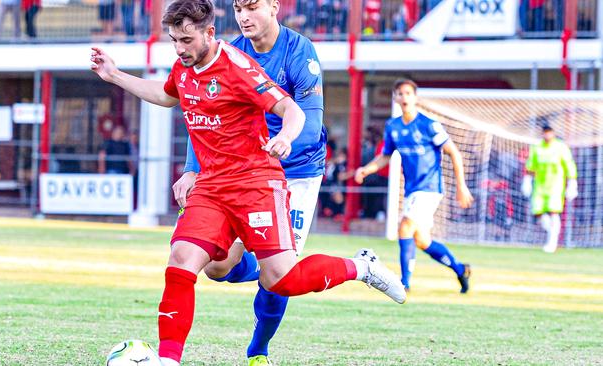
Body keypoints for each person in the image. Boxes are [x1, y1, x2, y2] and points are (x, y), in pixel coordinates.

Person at [90, 1, 406, 365]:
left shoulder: (239, 66)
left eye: (186, 40)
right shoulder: (184, 66)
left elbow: (294, 110)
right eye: (174, 40)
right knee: (185, 262)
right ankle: (169, 360)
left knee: (281, 281)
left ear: (209, 33)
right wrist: (114, 75)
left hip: (256, 184)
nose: (180, 49)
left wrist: (285, 137)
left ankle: (361, 268)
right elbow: (165, 95)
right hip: (212, 187)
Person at [172, 1, 328, 363]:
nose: (244, 16)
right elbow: (203, 118)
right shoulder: (229, 53)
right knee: (217, 266)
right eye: (238, 7)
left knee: (280, 279)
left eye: (253, 6)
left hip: (298, 172)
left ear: (275, 7)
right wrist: (191, 169)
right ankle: (260, 263)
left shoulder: (299, 52)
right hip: (244, 174)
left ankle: (258, 351)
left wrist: (283, 143)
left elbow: (310, 122)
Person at [355, 78, 474, 293]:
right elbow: (385, 156)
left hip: (429, 188)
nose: (404, 97)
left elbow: (453, 152)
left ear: (415, 97)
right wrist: (367, 169)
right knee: (422, 240)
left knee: (405, 227)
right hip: (412, 190)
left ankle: (405, 283)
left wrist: (461, 186)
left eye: (408, 93)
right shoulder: (393, 126)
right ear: (395, 98)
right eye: (399, 93)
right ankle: (460, 269)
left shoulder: (429, 125)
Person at [521, 124, 578, 253]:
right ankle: (552, 232)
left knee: (553, 212)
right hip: (540, 186)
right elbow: (531, 165)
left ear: (553, 133)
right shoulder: (537, 148)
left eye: (549, 132)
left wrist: (572, 182)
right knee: (538, 212)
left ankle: (552, 242)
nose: (547, 135)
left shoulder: (561, 147)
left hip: (555, 186)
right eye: (545, 132)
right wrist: (527, 180)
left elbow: (569, 164)